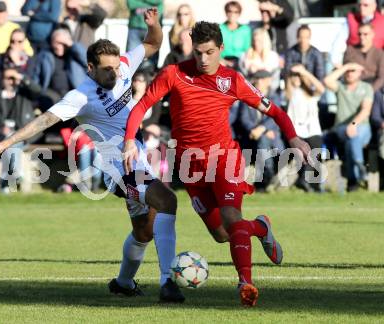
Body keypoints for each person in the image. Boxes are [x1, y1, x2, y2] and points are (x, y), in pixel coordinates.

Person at [0, 8, 185, 303]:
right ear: (90, 68)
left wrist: (153, 25)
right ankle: (168, 282)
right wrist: (5, 142)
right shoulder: (81, 96)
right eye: (106, 69)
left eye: (116, 68)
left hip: (137, 156)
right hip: (119, 168)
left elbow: (152, 44)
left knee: (145, 231)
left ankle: (123, 282)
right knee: (168, 200)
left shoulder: (124, 65)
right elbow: (44, 121)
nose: (114, 73)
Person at [123, 21, 311, 306]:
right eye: (198, 53)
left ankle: (246, 283)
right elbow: (141, 107)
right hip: (191, 167)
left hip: (225, 159)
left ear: (221, 49)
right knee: (222, 234)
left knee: (232, 219)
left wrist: (294, 138)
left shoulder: (232, 80)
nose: (203, 59)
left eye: (210, 52)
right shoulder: (173, 73)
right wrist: (128, 141)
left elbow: (273, 109)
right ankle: (260, 227)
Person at [0, 67, 42, 193]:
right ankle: (15, 174)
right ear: (2, 80)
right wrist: (0, 128)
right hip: (3, 136)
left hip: (24, 135)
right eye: (8, 78)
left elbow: (38, 90)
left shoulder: (24, 93)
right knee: (10, 141)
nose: (11, 81)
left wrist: (20, 77)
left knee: (13, 140)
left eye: (13, 79)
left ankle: (6, 182)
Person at [324, 62, 374, 191]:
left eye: (353, 70)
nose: (350, 73)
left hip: (362, 127)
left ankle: (353, 180)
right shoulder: (341, 87)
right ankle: (359, 168)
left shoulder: (367, 88)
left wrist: (353, 125)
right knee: (351, 137)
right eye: (348, 71)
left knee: (353, 137)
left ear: (360, 73)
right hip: (341, 128)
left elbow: (365, 110)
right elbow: (326, 80)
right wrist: (344, 67)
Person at [237, 70, 285, 192]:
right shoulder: (247, 97)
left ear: (268, 81)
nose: (258, 82)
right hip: (251, 137)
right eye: (256, 79)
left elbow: (276, 117)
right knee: (263, 140)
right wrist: (255, 130)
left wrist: (262, 129)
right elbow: (243, 119)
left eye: (262, 79)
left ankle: (266, 176)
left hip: (272, 138)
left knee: (263, 140)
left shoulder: (275, 98)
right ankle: (266, 176)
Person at [285, 64, 325, 192]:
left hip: (313, 130)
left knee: (316, 151)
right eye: (294, 75)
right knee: (306, 153)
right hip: (296, 132)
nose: (296, 78)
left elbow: (321, 88)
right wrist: (290, 77)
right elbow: (288, 92)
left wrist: (305, 73)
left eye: (299, 76)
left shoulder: (311, 93)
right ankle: (306, 181)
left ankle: (307, 181)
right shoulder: (290, 94)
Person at [343, 23, 384, 92]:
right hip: (354, 87)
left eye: (365, 34)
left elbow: (382, 77)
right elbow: (345, 72)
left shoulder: (379, 53)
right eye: (359, 34)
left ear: (372, 35)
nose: (362, 37)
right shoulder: (350, 50)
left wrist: (369, 91)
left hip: (373, 87)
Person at [126, 0, 163, 71]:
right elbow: (131, 3)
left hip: (151, 28)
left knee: (151, 61)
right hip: (135, 28)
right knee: (132, 59)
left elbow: (158, 2)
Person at [219, 1, 252, 70]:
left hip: (240, 62)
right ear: (226, 12)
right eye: (229, 11)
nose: (232, 14)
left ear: (239, 13)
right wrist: (223, 61)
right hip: (222, 61)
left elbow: (248, 50)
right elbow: (215, 49)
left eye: (235, 12)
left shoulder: (245, 30)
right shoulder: (219, 28)